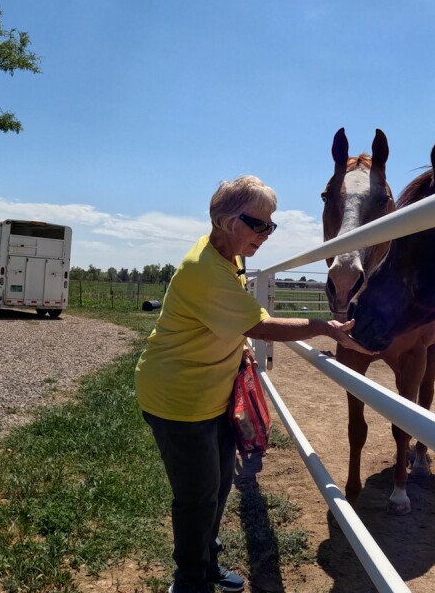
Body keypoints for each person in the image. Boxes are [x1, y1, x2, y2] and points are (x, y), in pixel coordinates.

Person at [135, 175, 373, 593]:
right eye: (258, 224)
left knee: (220, 484)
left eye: (271, 225)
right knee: (197, 495)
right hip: (178, 398)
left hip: (213, 392)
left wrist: (240, 342)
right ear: (227, 221)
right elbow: (261, 324)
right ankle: (189, 580)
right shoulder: (205, 270)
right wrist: (324, 327)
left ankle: (205, 563)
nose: (267, 234)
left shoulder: (229, 256)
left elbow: (237, 320)